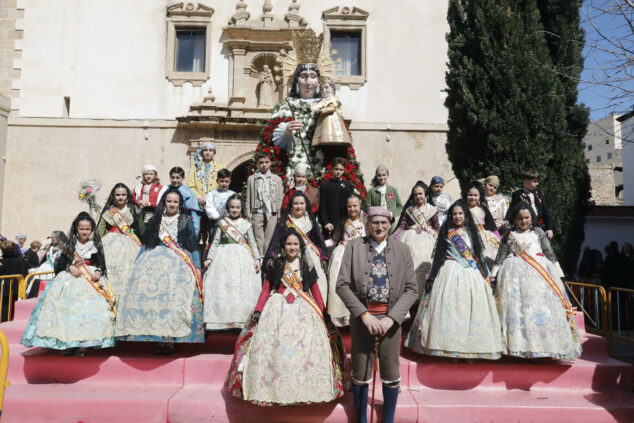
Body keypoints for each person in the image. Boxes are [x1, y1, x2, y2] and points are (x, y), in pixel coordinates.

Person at [227, 227, 348, 405]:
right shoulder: (275, 264)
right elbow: (267, 289)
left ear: (300, 246)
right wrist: (259, 310)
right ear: (283, 245)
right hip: (276, 308)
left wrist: (323, 311)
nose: (292, 247)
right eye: (289, 244)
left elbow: (314, 289)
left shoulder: (306, 265)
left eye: (295, 244)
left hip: (304, 308)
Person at [336, 206, 418, 423]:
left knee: (391, 372)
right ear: (367, 223)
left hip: (391, 321)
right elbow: (342, 285)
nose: (379, 227)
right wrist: (364, 315)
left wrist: (392, 318)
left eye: (383, 223)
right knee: (361, 372)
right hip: (363, 320)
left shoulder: (402, 250)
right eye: (375, 222)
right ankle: (361, 418)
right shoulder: (354, 247)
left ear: (389, 224)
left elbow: (412, 289)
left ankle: (388, 419)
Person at [406, 200, 502, 361]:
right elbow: (438, 258)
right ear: (450, 216)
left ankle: (471, 351)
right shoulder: (446, 233)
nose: (457, 216)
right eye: (454, 214)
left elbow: (478, 256)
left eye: (460, 213)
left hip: (472, 275)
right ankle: (450, 349)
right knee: (451, 310)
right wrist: (432, 276)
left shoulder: (473, 233)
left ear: (465, 215)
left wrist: (488, 275)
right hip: (449, 272)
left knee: (471, 312)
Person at [115, 187, 204, 354]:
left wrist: (197, 266)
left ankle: (169, 338)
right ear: (164, 202)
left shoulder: (185, 220)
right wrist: (137, 263)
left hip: (178, 261)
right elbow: (147, 243)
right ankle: (157, 337)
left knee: (174, 298)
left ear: (179, 204)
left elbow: (192, 244)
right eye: (168, 201)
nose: (171, 204)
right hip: (154, 259)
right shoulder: (155, 220)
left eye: (175, 202)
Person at [491, 204, 581, 359]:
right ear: (515, 219)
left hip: (539, 275)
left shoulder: (539, 233)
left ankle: (543, 347)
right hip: (513, 277)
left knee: (540, 308)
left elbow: (550, 254)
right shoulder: (509, 234)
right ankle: (517, 347)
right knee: (517, 309)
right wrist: (493, 275)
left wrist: (560, 274)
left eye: (526, 218)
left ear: (532, 218)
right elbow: (500, 256)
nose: (523, 221)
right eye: (520, 218)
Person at [21, 212, 115, 356]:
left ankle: (83, 344)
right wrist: (69, 267)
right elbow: (60, 263)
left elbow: (101, 262)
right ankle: (66, 343)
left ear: (92, 230)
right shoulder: (69, 244)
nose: (84, 232)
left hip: (90, 280)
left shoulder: (95, 244)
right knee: (65, 311)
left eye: (87, 229)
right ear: (76, 228)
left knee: (85, 312)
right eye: (81, 229)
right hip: (69, 279)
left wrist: (98, 270)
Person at [202, 195, 262, 330]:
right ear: (228, 208)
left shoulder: (246, 224)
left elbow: (252, 242)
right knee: (223, 286)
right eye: (232, 207)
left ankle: (241, 321)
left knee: (241, 287)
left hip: (243, 257)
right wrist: (210, 258)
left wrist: (257, 259)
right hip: (222, 257)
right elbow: (215, 241)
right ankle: (223, 321)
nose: (234, 210)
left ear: (241, 208)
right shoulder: (222, 223)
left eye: (237, 207)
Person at [266, 191, 329, 301]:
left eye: (301, 203)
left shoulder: (311, 221)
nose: (298, 206)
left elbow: (320, 242)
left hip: (310, 259)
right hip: (289, 257)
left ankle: (318, 309)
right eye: (296, 204)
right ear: (291, 205)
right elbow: (275, 241)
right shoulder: (285, 221)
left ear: (306, 205)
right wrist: (270, 257)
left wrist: (324, 257)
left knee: (317, 286)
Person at [391, 181, 439, 317]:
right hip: (409, 239)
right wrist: (392, 238)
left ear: (426, 195)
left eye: (421, 194)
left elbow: (436, 227)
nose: (418, 196)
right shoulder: (409, 210)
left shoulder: (432, 210)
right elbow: (402, 226)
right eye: (416, 194)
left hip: (428, 241)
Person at [96, 183, 145, 300]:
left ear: (127, 196)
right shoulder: (109, 212)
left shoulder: (134, 209)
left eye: (123, 194)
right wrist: (98, 247)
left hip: (130, 245)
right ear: (113, 196)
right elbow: (99, 231)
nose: (120, 197)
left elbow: (142, 230)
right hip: (110, 245)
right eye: (117, 195)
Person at [327, 193, 366, 327]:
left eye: (355, 206)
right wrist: (316, 244)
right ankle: (341, 314)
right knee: (339, 280)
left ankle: (355, 312)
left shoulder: (367, 221)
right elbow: (333, 240)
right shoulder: (343, 222)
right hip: (343, 253)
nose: (352, 209)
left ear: (360, 204)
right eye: (349, 206)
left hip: (362, 254)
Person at [245, 152, 284, 254]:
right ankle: (260, 259)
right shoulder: (252, 179)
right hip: (257, 211)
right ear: (257, 164)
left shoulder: (277, 179)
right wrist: (247, 214)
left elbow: (280, 197)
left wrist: (278, 212)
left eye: (266, 162)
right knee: (258, 239)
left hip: (272, 212)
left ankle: (267, 260)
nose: (264, 165)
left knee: (269, 238)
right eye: (261, 162)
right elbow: (248, 197)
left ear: (270, 163)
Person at [505, 169, 553, 239]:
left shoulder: (539, 194)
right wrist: (507, 220)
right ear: (526, 182)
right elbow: (512, 209)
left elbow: (546, 211)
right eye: (535, 182)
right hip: (525, 228)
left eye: (537, 181)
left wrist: (549, 228)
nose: (537, 184)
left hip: (540, 226)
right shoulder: (517, 194)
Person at [463, 181, 501, 269]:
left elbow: (492, 227)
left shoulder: (483, 210)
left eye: (475, 195)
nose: (473, 198)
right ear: (465, 195)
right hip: (465, 238)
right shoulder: (461, 209)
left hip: (484, 240)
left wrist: (500, 240)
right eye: (470, 195)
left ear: (480, 196)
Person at [159, 167, 203, 237]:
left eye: (178, 177)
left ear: (183, 178)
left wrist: (194, 232)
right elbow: (160, 208)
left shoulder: (189, 192)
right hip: (166, 222)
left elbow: (194, 214)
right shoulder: (166, 189)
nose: (175, 180)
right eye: (172, 177)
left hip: (183, 222)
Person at [319, 157, 354, 239]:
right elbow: (322, 206)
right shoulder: (325, 185)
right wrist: (326, 222)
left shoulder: (348, 186)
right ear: (332, 169)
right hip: (329, 226)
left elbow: (351, 206)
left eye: (341, 169)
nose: (338, 172)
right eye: (336, 169)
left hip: (345, 225)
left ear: (344, 170)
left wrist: (349, 222)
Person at [310, 81, 352, 147]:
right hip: (323, 123)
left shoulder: (332, 99)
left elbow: (332, 108)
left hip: (331, 121)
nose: (324, 90)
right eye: (322, 89)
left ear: (333, 89)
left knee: (330, 135)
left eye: (326, 87)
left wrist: (321, 111)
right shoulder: (322, 101)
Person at [367, 165, 403, 234]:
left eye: (384, 175)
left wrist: (392, 213)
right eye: (379, 175)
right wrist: (375, 212)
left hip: (391, 223)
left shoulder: (393, 190)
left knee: (391, 241)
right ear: (376, 176)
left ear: (387, 175)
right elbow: (367, 207)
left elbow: (400, 207)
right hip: (377, 223)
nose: (382, 177)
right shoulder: (372, 191)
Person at [188, 141, 225, 207]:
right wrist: (199, 197)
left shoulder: (221, 167)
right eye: (205, 150)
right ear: (201, 153)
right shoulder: (194, 167)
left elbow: (223, 185)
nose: (207, 152)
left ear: (214, 153)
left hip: (215, 203)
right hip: (198, 203)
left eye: (210, 150)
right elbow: (191, 185)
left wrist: (209, 197)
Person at [204, 168, 236, 240]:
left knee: (228, 240)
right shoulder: (212, 194)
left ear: (230, 181)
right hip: (215, 223)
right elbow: (209, 207)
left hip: (230, 222)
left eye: (226, 181)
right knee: (214, 240)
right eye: (222, 181)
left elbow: (236, 207)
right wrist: (218, 217)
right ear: (217, 181)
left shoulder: (233, 194)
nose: (224, 184)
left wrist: (230, 216)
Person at [0, 240, 27, 321]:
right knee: (15, 306)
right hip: (19, 285)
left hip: (7, 287)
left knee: (5, 307)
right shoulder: (20, 258)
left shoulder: (4, 260)